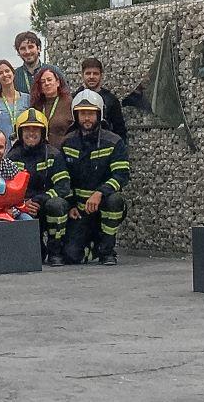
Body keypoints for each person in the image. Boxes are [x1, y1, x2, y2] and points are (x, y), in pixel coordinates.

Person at [61, 94, 130, 266]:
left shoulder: (114, 141)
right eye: (82, 113)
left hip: (104, 204)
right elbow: (63, 178)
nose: (86, 118)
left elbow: (121, 174)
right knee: (71, 255)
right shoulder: (68, 143)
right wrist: (71, 205)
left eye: (91, 113)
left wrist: (100, 193)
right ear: (75, 115)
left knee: (116, 200)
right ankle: (96, 247)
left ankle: (107, 251)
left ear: (99, 115)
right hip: (79, 209)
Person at [8, 110, 73, 264]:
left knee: (56, 204)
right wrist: (24, 204)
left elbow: (63, 186)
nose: (31, 133)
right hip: (24, 208)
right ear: (19, 132)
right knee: (33, 255)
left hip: (46, 206)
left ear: (43, 132)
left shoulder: (53, 155)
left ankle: (55, 251)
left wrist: (40, 200)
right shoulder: (12, 157)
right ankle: (36, 248)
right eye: (27, 129)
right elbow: (7, 189)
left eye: (35, 129)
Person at [77, 58, 128, 137]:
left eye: (95, 73)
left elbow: (120, 130)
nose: (91, 77)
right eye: (88, 73)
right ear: (82, 75)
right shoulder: (75, 98)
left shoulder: (111, 100)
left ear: (101, 75)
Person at [31, 65, 77, 146]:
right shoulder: (36, 105)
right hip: (41, 152)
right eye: (43, 82)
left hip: (63, 151)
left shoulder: (69, 102)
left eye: (49, 80)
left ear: (58, 82)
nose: (47, 83)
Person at [0, 59, 33, 137]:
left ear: (13, 74)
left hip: (24, 146)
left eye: (7, 71)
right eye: (0, 73)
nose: (5, 74)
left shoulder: (27, 99)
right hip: (1, 147)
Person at [13, 30, 58, 95]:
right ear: (18, 53)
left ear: (38, 48)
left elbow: (66, 96)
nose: (27, 51)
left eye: (31, 47)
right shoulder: (14, 76)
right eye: (23, 48)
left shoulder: (54, 71)